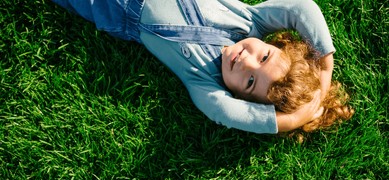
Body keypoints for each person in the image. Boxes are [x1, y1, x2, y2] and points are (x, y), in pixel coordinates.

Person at [51, 0, 353, 134]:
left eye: (249, 82)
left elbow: (228, 114)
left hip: (115, 6)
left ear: (239, 96)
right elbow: (302, 8)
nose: (244, 61)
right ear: (278, 45)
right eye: (263, 57)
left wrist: (292, 120)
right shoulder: (252, 21)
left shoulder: (205, 83)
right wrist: (325, 68)